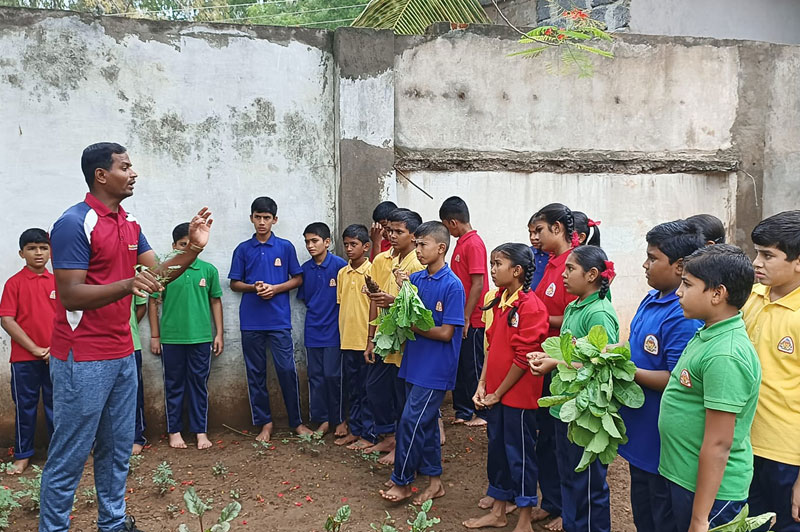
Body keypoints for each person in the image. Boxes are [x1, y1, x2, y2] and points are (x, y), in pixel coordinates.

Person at [40, 142, 212, 532]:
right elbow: (69, 293)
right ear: (101, 175)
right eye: (125, 167)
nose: (133, 173)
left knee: (117, 448)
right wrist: (128, 284)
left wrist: (193, 249)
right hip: (82, 357)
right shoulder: (73, 223)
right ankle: (53, 528)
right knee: (69, 453)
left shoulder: (130, 221)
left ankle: (113, 522)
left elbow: (157, 276)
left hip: (122, 353)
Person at [659, 244, 761, 532]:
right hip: (685, 477)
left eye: (688, 285)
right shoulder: (708, 333)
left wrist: (700, 518)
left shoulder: (725, 354)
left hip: (711, 495)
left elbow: (719, 444)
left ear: (718, 293)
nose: (679, 292)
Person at [618, 220, 705, 532]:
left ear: (680, 266)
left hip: (663, 443)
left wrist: (623, 369)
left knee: (663, 516)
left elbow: (675, 379)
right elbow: (632, 349)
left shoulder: (683, 314)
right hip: (640, 435)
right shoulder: (651, 299)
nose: (645, 264)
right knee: (644, 513)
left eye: (653, 258)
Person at [530, 245, 619, 532]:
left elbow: (601, 362)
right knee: (568, 476)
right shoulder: (574, 306)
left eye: (570, 269)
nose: (563, 275)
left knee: (588, 484)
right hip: (566, 407)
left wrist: (553, 364)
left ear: (592, 274)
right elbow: (570, 353)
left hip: (587, 413)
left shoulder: (600, 313)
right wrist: (548, 357)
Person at [463, 243, 549, 532]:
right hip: (496, 395)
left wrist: (498, 393)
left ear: (517, 270)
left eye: (498, 264)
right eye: (491, 263)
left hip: (519, 399)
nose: (492, 269)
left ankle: (524, 519)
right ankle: (499, 511)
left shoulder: (531, 306)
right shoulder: (500, 301)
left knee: (520, 455)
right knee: (498, 451)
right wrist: (483, 384)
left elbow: (524, 358)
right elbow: (492, 347)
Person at [379, 221, 465, 504]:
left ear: (441, 248)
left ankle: (402, 481)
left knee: (410, 422)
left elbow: (446, 332)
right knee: (425, 425)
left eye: (422, 245)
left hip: (436, 368)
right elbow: (404, 309)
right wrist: (390, 301)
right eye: (415, 244)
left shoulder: (453, 286)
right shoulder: (416, 281)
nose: (417, 250)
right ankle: (435, 481)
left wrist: (411, 324)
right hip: (413, 363)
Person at [228, 196, 312, 442]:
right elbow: (234, 283)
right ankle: (265, 423)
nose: (262, 222)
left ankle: (296, 422)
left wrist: (275, 289)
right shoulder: (243, 249)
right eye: (258, 217)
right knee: (256, 373)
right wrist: (254, 287)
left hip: (279, 321)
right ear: (251, 218)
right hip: (251, 321)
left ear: (274, 220)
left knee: (287, 370)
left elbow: (298, 278)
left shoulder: (285, 247)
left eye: (266, 218)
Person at [743, 211, 800, 532]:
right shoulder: (753, 297)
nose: (756, 262)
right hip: (745, 443)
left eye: (767, 255)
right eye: (756, 252)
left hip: (787, 455)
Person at [525, 202, 580, 530]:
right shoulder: (546, 263)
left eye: (539, 230)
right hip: (543, 361)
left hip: (564, 366)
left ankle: (565, 510)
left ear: (558, 228)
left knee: (564, 440)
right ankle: (553, 501)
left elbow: (574, 317)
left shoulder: (576, 265)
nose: (535, 237)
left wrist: (538, 319)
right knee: (545, 436)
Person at [149, 222, 224, 450]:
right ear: (174, 246)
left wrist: (219, 333)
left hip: (201, 338)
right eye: (182, 245)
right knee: (173, 385)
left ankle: (200, 431)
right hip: (172, 339)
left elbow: (215, 301)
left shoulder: (208, 270)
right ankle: (175, 431)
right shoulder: (165, 272)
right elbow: (153, 302)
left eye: (191, 245)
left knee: (198, 385)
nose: (187, 250)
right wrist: (155, 336)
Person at [363, 208, 424, 464]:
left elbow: (417, 306)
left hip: (406, 340)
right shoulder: (382, 260)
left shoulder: (417, 264)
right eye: (391, 231)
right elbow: (375, 299)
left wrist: (393, 301)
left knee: (402, 395)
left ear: (413, 236)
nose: (393, 235)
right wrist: (370, 337)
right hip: (385, 338)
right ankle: (388, 435)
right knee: (375, 388)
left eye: (399, 231)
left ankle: (401, 444)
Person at [0, 228, 55, 475]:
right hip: (24, 358)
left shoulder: (58, 283)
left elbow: (70, 319)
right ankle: (23, 455)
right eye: (32, 248)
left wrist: (54, 349)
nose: (38, 253)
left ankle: (59, 453)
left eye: (43, 248)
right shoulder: (14, 283)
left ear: (51, 252)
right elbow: (7, 320)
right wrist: (35, 349)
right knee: (25, 407)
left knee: (59, 405)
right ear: (22, 253)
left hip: (57, 356)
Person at [439, 196, 489, 427]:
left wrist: (467, 316)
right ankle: (463, 409)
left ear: (452, 223)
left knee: (474, 365)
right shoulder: (462, 243)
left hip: (474, 317)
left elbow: (477, 283)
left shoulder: (474, 243)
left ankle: (481, 411)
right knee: (461, 364)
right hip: (462, 315)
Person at [297, 222, 348, 436]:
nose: (310, 245)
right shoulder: (305, 270)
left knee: (333, 376)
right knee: (315, 377)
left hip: (335, 331)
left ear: (327, 242)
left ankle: (339, 419)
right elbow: (306, 299)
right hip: (313, 330)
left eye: (315, 241)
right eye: (307, 241)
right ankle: (322, 419)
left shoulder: (340, 266)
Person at [334, 224, 375, 447]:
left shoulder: (372, 271)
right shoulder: (342, 273)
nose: (349, 249)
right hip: (347, 340)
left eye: (354, 244)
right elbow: (342, 304)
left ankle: (369, 434)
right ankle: (355, 429)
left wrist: (371, 338)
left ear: (366, 247)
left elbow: (375, 307)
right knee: (353, 389)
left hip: (365, 341)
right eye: (346, 244)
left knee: (368, 389)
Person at [130, 294, 148, 455]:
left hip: (130, 344)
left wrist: (129, 326)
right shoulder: (91, 274)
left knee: (134, 394)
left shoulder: (133, 273)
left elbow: (142, 306)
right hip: (98, 347)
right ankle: (100, 440)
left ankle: (136, 437)